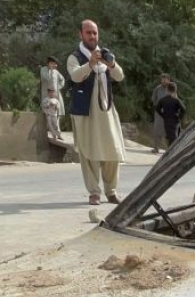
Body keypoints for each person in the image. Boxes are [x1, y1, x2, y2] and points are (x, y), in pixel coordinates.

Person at [67, 19, 127, 205]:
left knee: (113, 149)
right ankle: (94, 192)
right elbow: (75, 76)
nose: (92, 36)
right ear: (81, 34)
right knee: (89, 151)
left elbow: (119, 76)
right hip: (85, 111)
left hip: (106, 110)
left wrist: (111, 64)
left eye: (94, 32)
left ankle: (111, 191)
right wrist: (90, 64)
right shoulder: (75, 57)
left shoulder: (105, 55)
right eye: (88, 32)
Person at [154, 82, 186, 153]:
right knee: (174, 136)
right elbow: (183, 109)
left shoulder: (163, 100)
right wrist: (179, 117)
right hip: (175, 120)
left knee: (170, 137)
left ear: (167, 90)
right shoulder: (176, 100)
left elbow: (157, 108)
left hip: (167, 120)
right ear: (175, 90)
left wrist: (163, 115)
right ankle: (172, 152)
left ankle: (171, 152)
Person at [40, 56, 65, 140]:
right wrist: (50, 70)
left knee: (57, 115)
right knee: (48, 116)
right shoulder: (43, 70)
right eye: (52, 63)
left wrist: (59, 87)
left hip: (56, 96)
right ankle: (53, 134)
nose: (54, 65)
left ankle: (58, 134)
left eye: (55, 63)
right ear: (48, 63)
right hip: (47, 97)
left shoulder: (56, 72)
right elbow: (46, 78)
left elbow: (62, 80)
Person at [150, 73, 172, 153]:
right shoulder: (157, 89)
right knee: (157, 130)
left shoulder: (171, 89)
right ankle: (156, 148)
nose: (163, 81)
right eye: (162, 80)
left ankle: (169, 150)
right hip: (159, 113)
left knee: (168, 131)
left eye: (165, 80)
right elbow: (153, 99)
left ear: (169, 80)